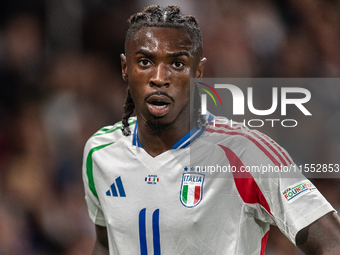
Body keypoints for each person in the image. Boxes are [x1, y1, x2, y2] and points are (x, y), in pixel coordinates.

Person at [82, 5, 340, 255]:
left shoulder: (244, 152)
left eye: (178, 64)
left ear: (199, 72)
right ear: (126, 68)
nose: (159, 77)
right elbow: (107, 243)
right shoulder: (100, 152)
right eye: (145, 61)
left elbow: (330, 242)